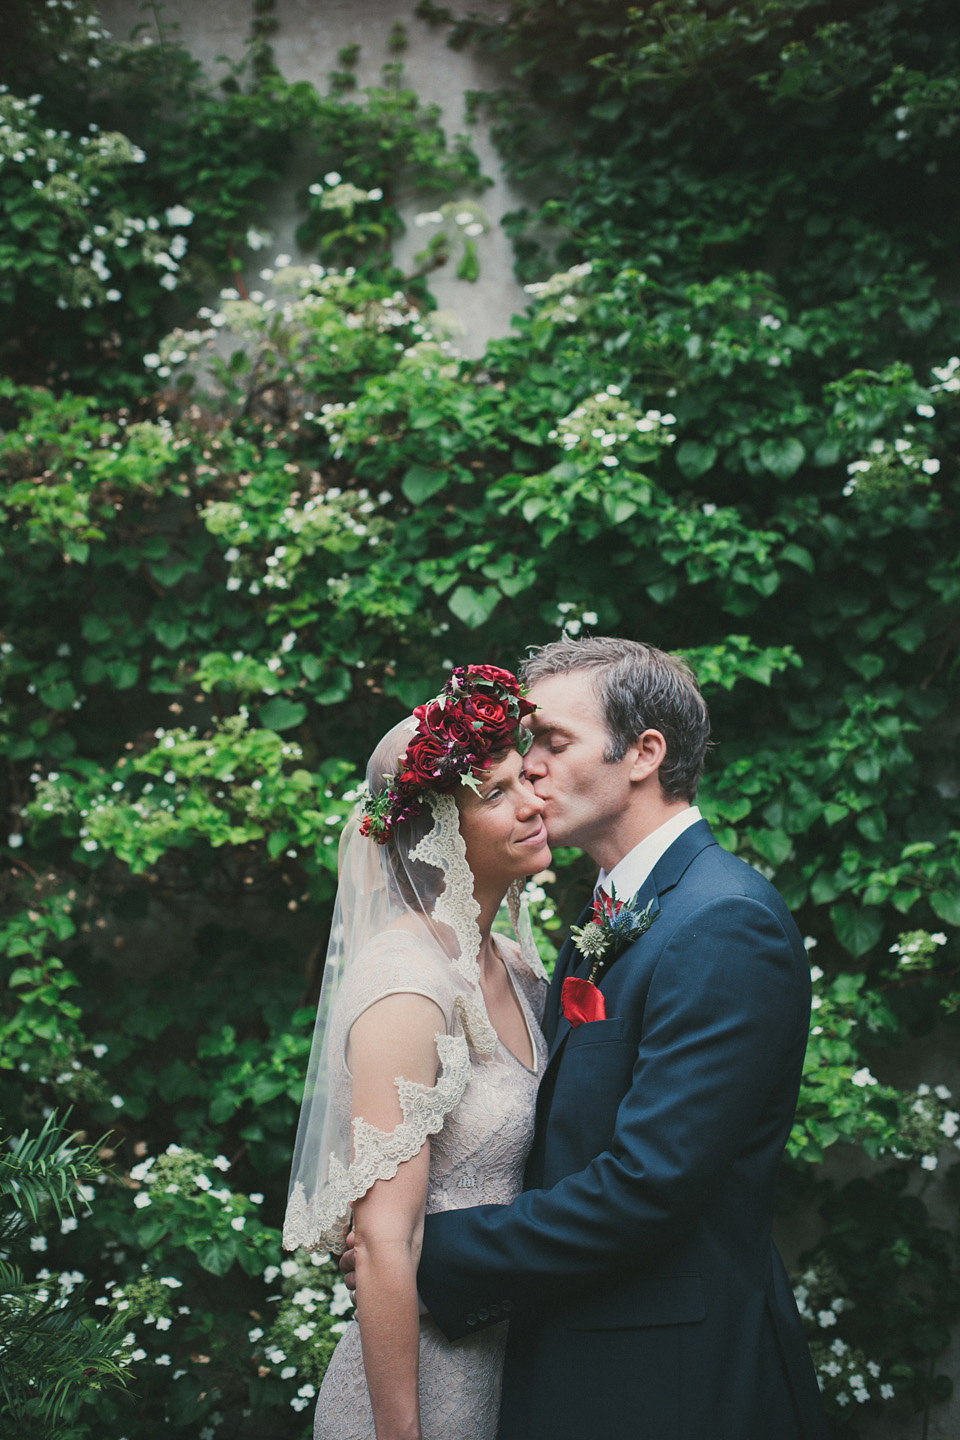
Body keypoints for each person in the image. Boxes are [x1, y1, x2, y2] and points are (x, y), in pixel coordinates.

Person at [407, 636, 829, 1440]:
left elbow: (647, 1186)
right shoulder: (618, 912)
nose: (527, 765)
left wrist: (422, 1254)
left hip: (671, 1386)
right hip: (586, 1357)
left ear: (643, 753)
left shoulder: (723, 923)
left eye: (552, 741)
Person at [282, 663, 553, 1440]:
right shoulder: (407, 986)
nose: (533, 802)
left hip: (517, 1358)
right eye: (496, 794)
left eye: (525, 779)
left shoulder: (515, 964)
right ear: (436, 830)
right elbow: (384, 1241)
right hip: (429, 1384)